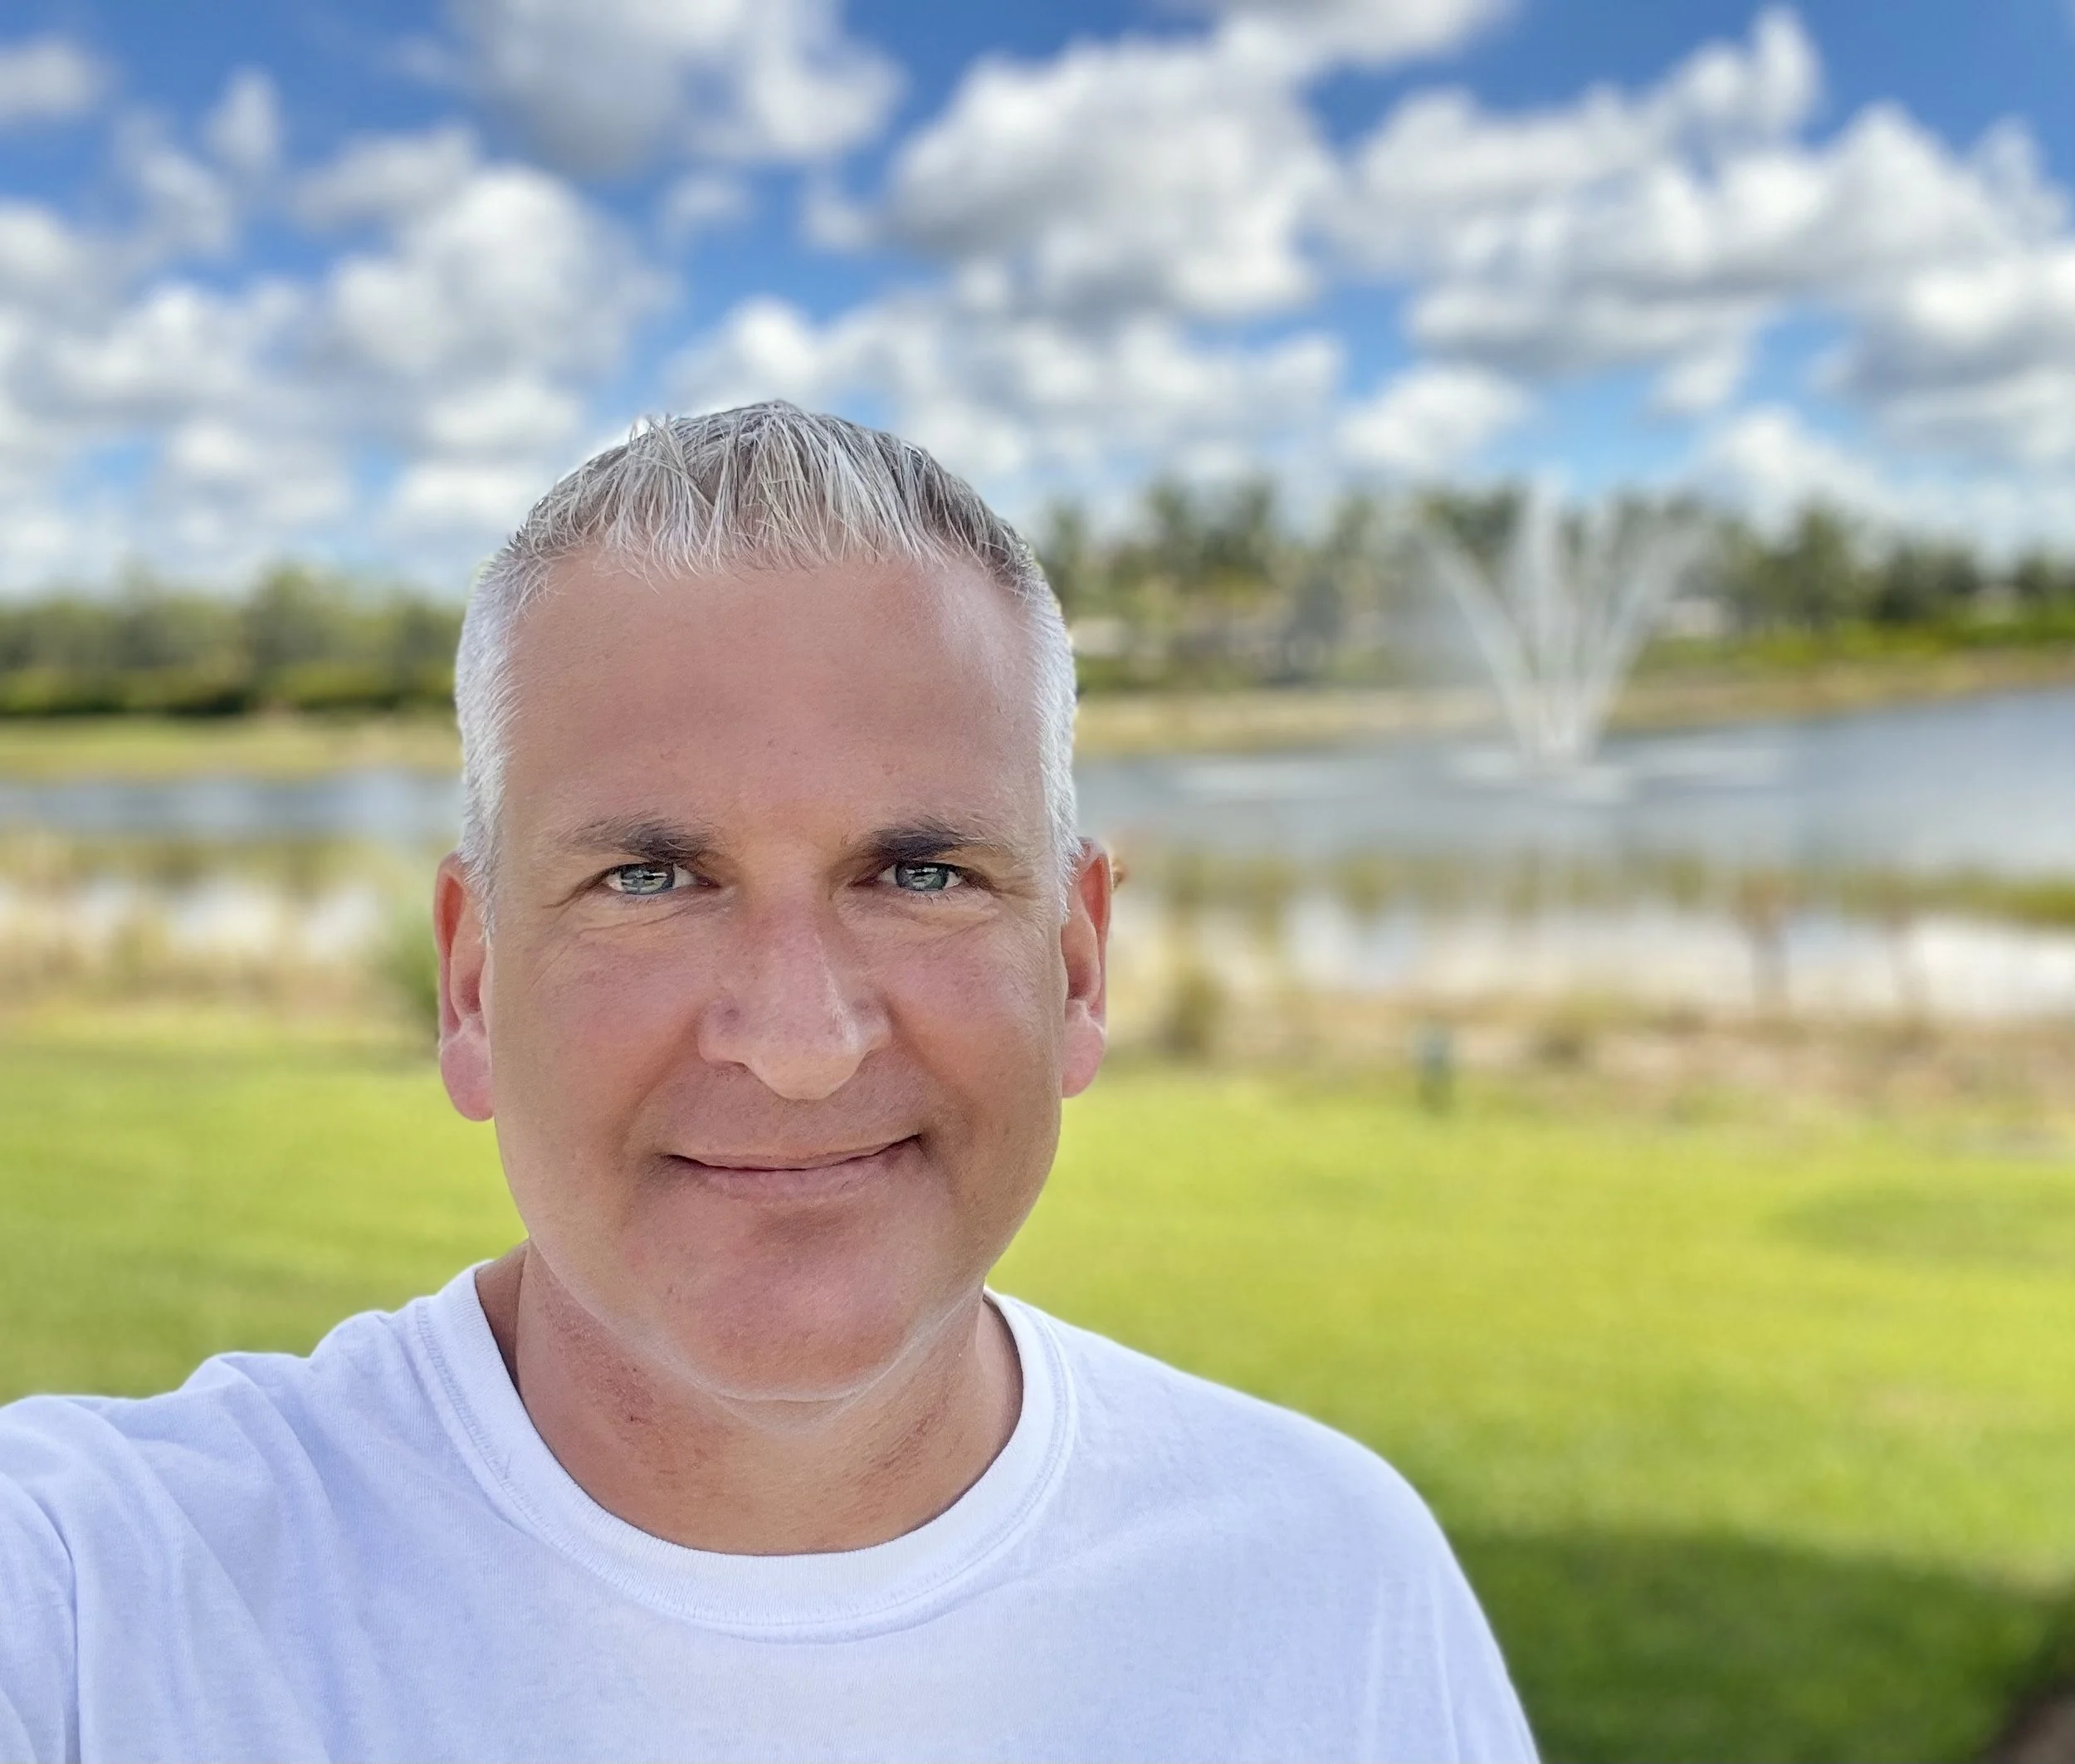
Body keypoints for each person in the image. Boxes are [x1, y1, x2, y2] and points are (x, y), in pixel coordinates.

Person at [0, 405, 1535, 1763]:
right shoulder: (92, 1594)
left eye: (919, 871)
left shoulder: (1330, 1586)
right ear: (472, 986)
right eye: (651, 876)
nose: (801, 1044)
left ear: (1077, 967)